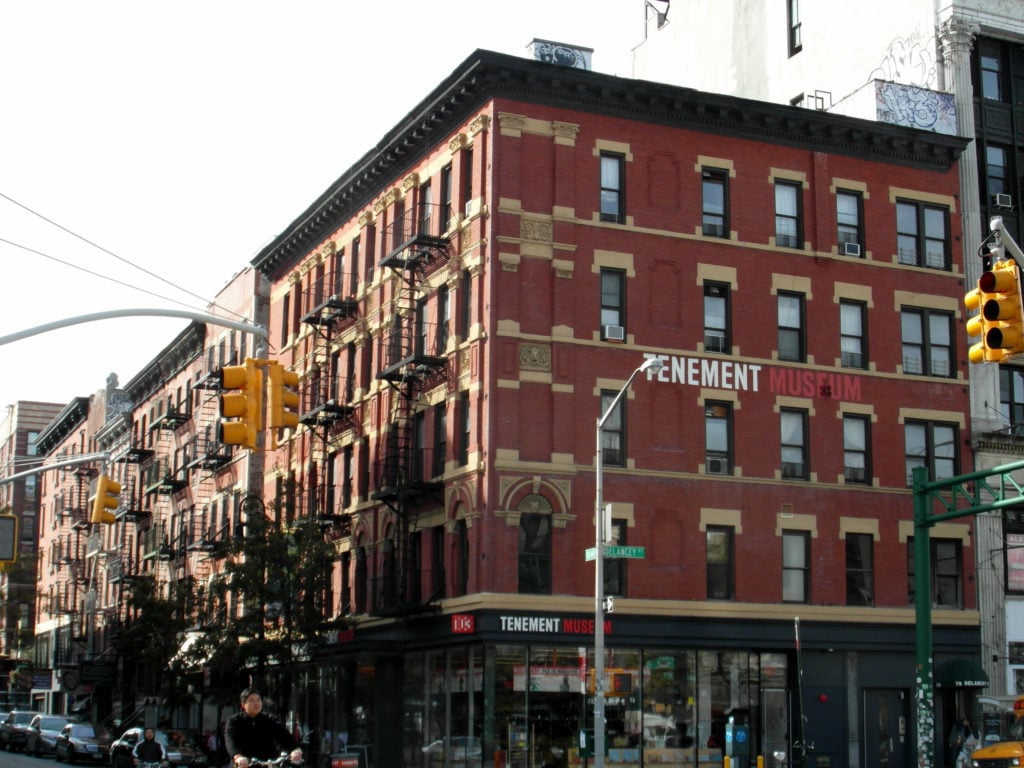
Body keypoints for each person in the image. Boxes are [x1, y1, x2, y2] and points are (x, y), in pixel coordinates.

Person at [224, 687, 303, 767]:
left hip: (268, 763)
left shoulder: (270, 719)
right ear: (243, 704)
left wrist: (295, 750)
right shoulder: (234, 721)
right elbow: (231, 741)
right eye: (252, 700)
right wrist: (238, 757)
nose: (256, 703)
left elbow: (284, 736)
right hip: (243, 764)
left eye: (258, 700)